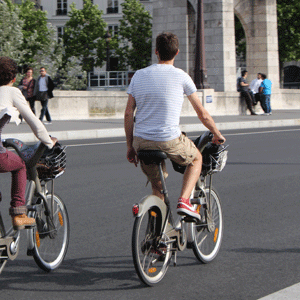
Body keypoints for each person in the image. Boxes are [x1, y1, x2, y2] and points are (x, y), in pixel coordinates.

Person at [124, 32, 225, 220]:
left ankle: (157, 239)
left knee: (158, 189)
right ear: (177, 53)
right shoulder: (182, 76)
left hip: (142, 142)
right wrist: (216, 133)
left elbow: (129, 113)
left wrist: (130, 146)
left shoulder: (138, 75)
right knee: (196, 159)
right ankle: (184, 201)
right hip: (169, 140)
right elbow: (202, 113)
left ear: (156, 52)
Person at [0, 57, 56, 230]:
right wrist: (49, 141)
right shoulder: (12, 91)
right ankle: (18, 213)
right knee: (20, 166)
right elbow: (34, 121)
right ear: (14, 78)